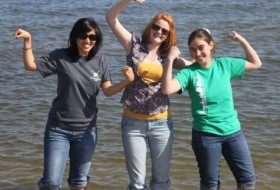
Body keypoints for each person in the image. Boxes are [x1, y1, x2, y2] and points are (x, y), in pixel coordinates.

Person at [14, 17, 134, 190]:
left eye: (92, 37)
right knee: (51, 183)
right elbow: (30, 65)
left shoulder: (101, 61)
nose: (87, 40)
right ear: (75, 37)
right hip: (58, 129)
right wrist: (28, 40)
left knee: (79, 182)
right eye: (83, 36)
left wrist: (127, 82)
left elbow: (107, 91)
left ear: (97, 40)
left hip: (87, 131)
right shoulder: (61, 56)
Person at [105, 0, 192, 189]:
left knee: (161, 181)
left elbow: (195, 65)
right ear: (150, 26)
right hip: (132, 124)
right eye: (157, 27)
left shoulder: (168, 55)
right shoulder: (134, 45)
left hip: (161, 123)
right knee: (137, 184)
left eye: (165, 31)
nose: (159, 32)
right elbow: (111, 18)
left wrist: (207, 50)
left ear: (169, 35)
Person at [161, 28, 262, 190]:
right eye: (193, 49)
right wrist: (170, 60)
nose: (197, 53)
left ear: (211, 45)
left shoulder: (225, 64)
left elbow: (256, 63)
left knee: (247, 180)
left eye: (201, 47)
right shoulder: (189, 73)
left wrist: (241, 40)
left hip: (234, 133)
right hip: (206, 136)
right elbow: (166, 89)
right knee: (210, 184)